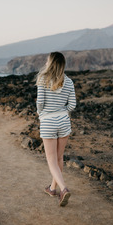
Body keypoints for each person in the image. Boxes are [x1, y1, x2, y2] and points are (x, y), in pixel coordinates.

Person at [36, 52, 76, 207]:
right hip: (64, 122)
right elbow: (72, 105)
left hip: (48, 122)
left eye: (47, 60)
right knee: (59, 158)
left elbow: (40, 102)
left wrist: (41, 114)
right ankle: (53, 188)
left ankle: (63, 189)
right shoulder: (69, 82)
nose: (46, 63)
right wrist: (61, 110)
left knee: (51, 160)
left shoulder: (43, 79)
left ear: (51, 63)